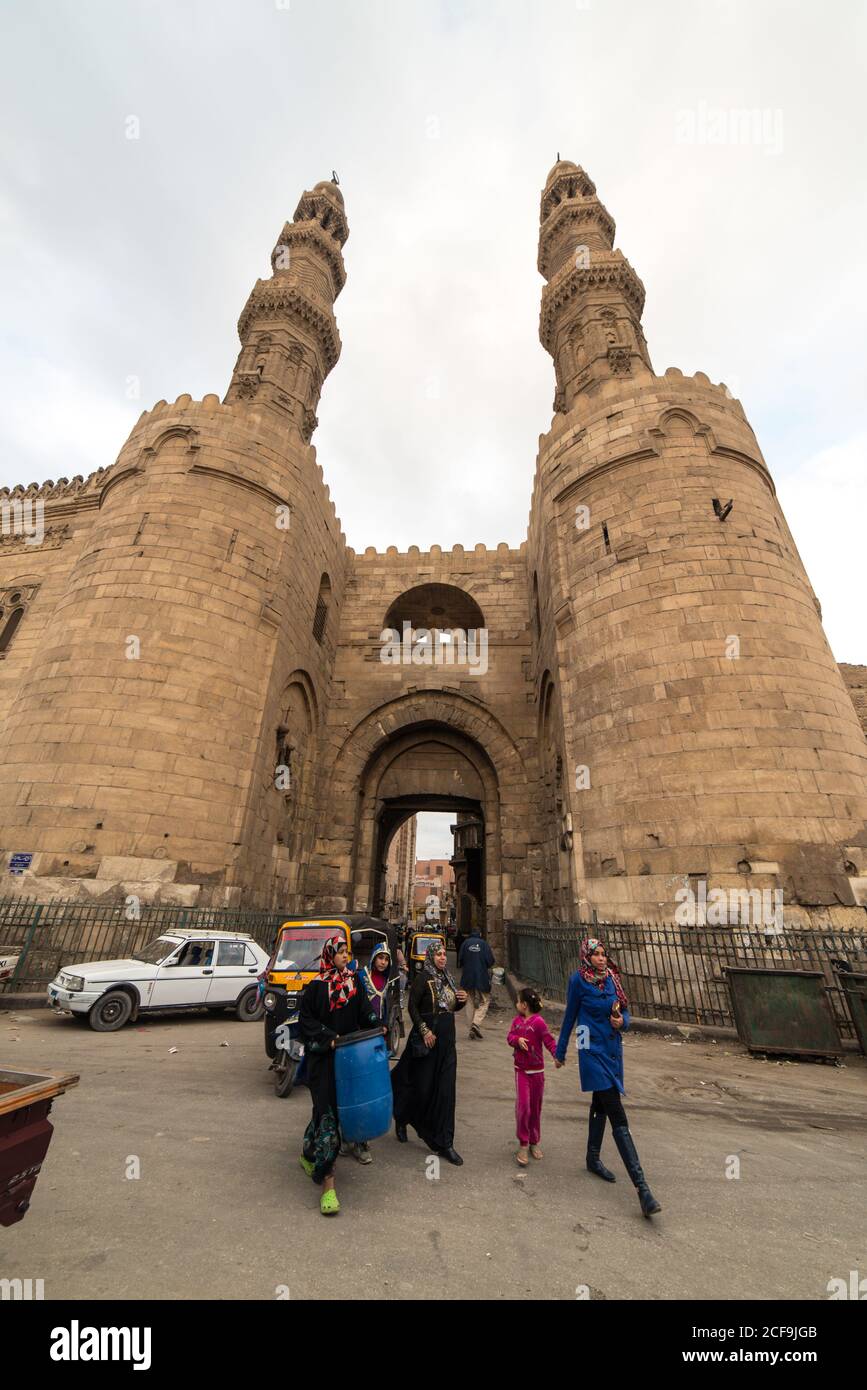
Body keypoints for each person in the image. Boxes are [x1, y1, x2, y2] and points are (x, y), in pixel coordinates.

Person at [555, 937, 661, 1218]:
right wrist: (560, 1049)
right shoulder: (578, 981)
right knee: (616, 1112)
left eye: (604, 954)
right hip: (590, 1051)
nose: (601, 959)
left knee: (600, 1103)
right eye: (596, 954)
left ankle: (592, 1158)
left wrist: (621, 1022)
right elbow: (570, 1016)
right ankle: (643, 1189)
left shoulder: (613, 978)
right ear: (586, 957)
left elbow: (625, 1012)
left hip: (612, 1051)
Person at [298, 935, 382, 1215]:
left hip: (348, 1061)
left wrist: (376, 1025)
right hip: (322, 1061)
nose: (346, 956)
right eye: (341, 952)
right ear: (329, 955)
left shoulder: (353, 982)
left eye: (347, 952)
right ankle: (328, 1186)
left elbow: (365, 1011)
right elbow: (305, 1022)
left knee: (326, 1113)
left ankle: (309, 1153)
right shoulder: (316, 988)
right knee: (328, 1118)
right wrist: (328, 1038)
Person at [391, 941, 468, 1165]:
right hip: (428, 1041)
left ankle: (445, 1142)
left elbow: (450, 1007)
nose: (444, 958)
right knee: (421, 1088)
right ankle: (403, 1117)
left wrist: (461, 1001)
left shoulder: (448, 978)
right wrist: (424, 1030)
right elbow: (413, 1007)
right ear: (431, 956)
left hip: (447, 1041)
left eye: (445, 954)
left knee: (446, 1091)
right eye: (440, 954)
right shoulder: (423, 978)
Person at [507, 986, 558, 1166]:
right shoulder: (516, 1022)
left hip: (537, 1073)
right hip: (520, 1071)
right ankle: (523, 1142)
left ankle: (534, 1141)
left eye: (518, 1001)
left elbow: (549, 1041)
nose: (516, 1003)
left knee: (535, 1109)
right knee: (524, 1107)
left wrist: (557, 1056)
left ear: (525, 1005)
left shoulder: (539, 1022)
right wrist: (516, 1040)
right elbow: (510, 1037)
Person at [458, 928, 495, 1039]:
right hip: (481, 976)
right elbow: (490, 961)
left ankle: (471, 1028)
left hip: (467, 977)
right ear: (480, 934)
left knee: (469, 1000)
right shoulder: (484, 944)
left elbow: (461, 959)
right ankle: (476, 1023)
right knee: (485, 1000)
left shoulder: (465, 943)